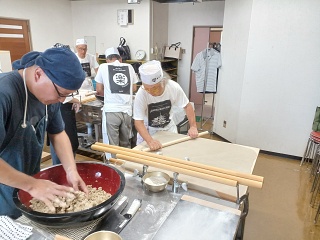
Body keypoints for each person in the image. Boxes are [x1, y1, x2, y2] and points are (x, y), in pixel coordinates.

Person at [0, 46, 88, 219]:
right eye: (61, 94)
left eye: (67, 96)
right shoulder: (4, 92)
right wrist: (32, 185)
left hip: (27, 182)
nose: (61, 100)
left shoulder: (50, 97)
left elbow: (58, 133)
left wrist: (71, 170)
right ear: (38, 74)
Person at [50, 39, 100, 165]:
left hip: (66, 106)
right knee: (63, 140)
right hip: (59, 109)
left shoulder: (60, 68)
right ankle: (62, 167)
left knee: (66, 140)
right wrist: (74, 99)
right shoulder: (54, 70)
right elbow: (57, 93)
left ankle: (67, 166)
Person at [133, 60, 199, 151]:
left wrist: (193, 126)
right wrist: (150, 141)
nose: (150, 92)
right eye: (147, 88)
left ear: (162, 82)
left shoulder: (173, 87)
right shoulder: (141, 94)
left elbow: (187, 106)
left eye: (154, 88)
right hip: (148, 130)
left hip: (168, 128)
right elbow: (138, 122)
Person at [95, 47, 138, 152]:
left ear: (107, 60)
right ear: (120, 59)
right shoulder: (129, 67)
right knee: (125, 142)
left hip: (112, 111)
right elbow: (134, 88)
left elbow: (99, 90)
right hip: (127, 111)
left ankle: (113, 166)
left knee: (112, 144)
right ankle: (125, 166)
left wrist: (111, 93)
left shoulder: (103, 67)